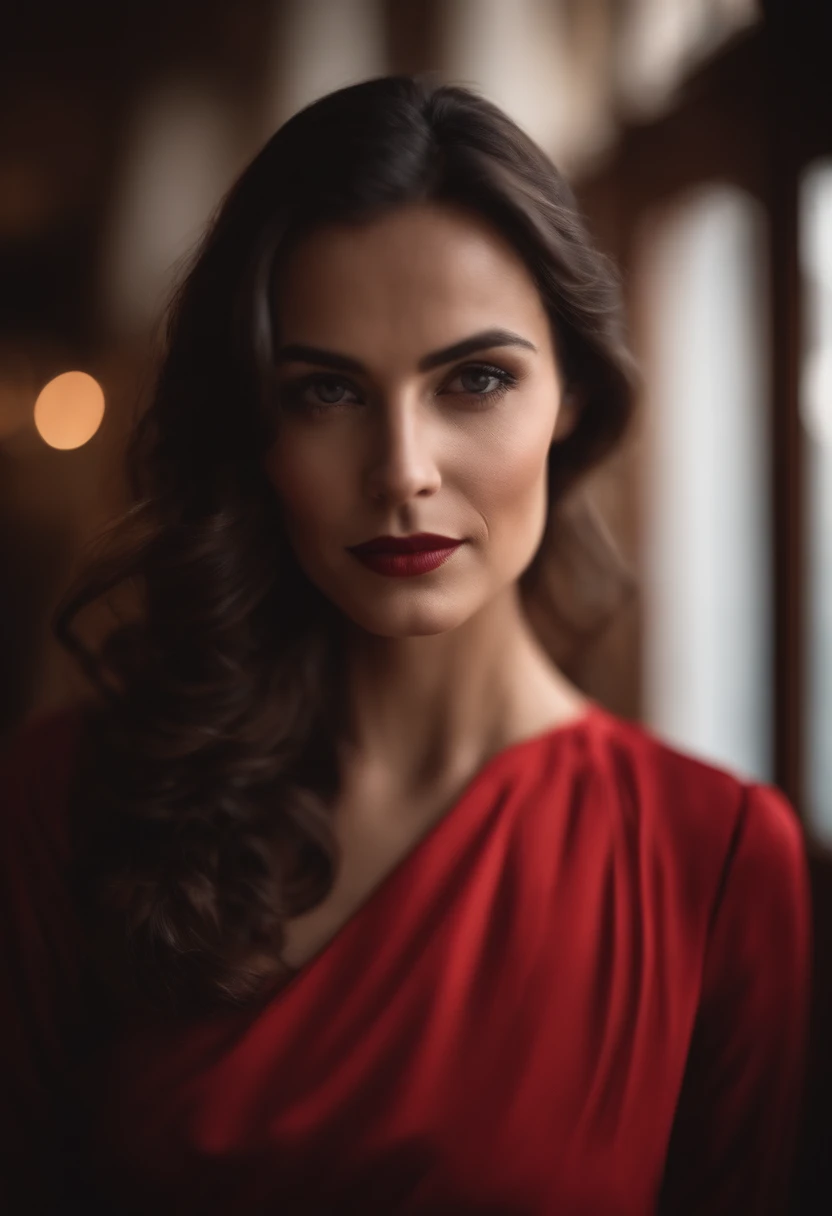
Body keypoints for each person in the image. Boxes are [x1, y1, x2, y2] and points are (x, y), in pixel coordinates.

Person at [0, 74, 811, 1216]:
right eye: (327, 391)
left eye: (474, 380)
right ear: (255, 426)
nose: (402, 470)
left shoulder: (717, 862)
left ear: (569, 392)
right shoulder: (64, 801)